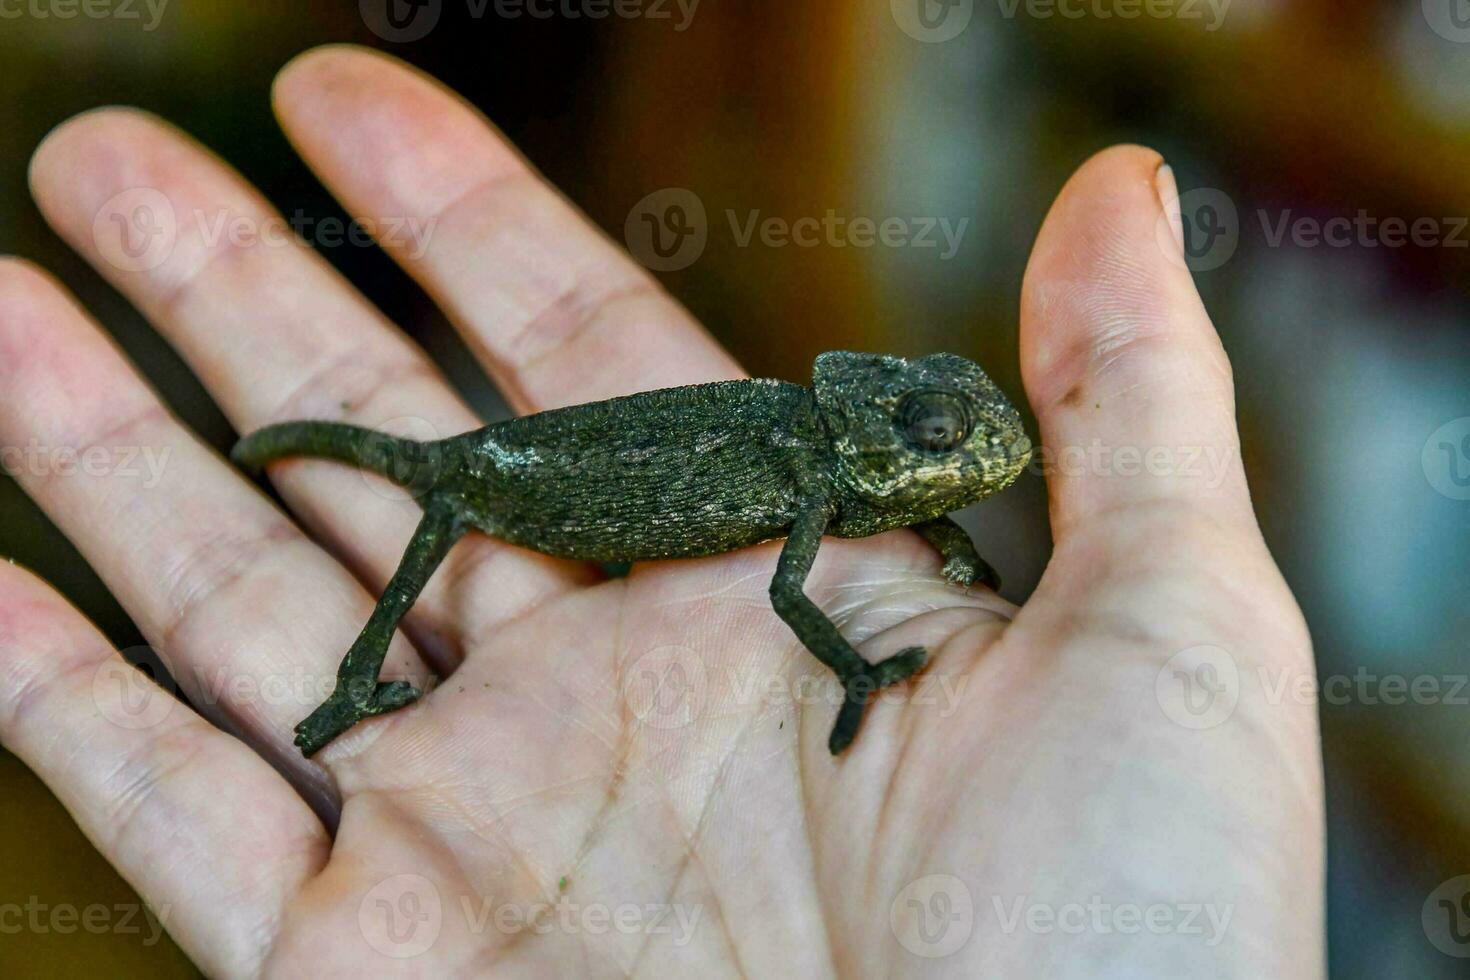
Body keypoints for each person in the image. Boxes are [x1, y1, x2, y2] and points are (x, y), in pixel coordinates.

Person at [0, 45, 1322, 977]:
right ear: (872, 435)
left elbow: (865, 520)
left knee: (435, 483)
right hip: (525, 487)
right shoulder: (815, 477)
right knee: (436, 504)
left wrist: (948, 540)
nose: (955, 464)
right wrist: (858, 671)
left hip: (562, 472)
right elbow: (790, 591)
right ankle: (351, 682)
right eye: (931, 442)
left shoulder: (827, 465)